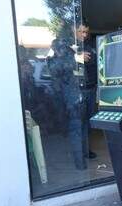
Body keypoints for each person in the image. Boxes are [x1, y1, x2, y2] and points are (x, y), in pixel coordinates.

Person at [47, 38, 88, 170]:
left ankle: (83, 156)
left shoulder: (67, 57)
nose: (65, 51)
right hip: (68, 101)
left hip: (77, 98)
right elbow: (62, 68)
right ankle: (80, 163)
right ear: (56, 49)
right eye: (62, 48)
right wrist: (77, 57)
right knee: (75, 131)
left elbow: (80, 71)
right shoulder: (53, 62)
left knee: (81, 128)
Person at [73, 22, 98, 159]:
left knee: (88, 123)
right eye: (81, 31)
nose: (84, 35)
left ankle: (85, 150)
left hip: (91, 90)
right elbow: (54, 63)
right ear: (74, 30)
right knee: (78, 123)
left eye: (86, 32)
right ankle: (78, 152)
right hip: (77, 92)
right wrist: (77, 57)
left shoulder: (89, 47)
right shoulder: (67, 46)